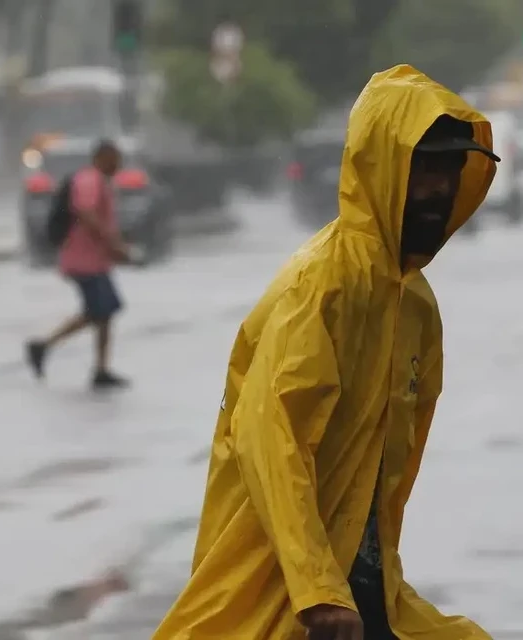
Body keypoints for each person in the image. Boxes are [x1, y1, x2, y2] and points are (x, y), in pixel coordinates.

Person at [151, 65, 501, 640]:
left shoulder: (413, 305)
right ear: (381, 168)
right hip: (280, 589)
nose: (438, 189)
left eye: (447, 170)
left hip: (360, 588)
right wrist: (316, 590)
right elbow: (272, 435)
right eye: (422, 169)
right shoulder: (322, 285)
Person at [25, 139, 132, 390]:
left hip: (94, 261)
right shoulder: (89, 180)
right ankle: (43, 346)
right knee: (99, 311)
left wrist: (112, 248)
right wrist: (113, 243)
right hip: (83, 261)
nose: (119, 165)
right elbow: (86, 213)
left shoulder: (99, 181)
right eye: (115, 159)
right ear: (102, 158)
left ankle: (101, 369)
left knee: (104, 311)